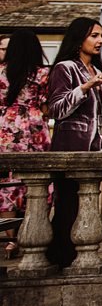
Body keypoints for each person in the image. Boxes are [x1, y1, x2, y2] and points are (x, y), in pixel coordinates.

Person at [48, 17, 102, 267]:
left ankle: (82, 255)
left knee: (86, 207)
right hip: (70, 148)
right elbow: (57, 109)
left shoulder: (99, 72)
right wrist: (86, 86)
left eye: (101, 36)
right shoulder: (65, 68)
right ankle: (61, 257)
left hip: (95, 151)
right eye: (94, 36)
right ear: (79, 39)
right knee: (67, 207)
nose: (100, 40)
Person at [0, 28, 48, 259]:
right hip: (34, 127)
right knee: (36, 181)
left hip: (6, 128)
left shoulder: (1, 72)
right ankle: (30, 234)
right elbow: (47, 105)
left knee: (8, 184)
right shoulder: (40, 74)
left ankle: (11, 240)